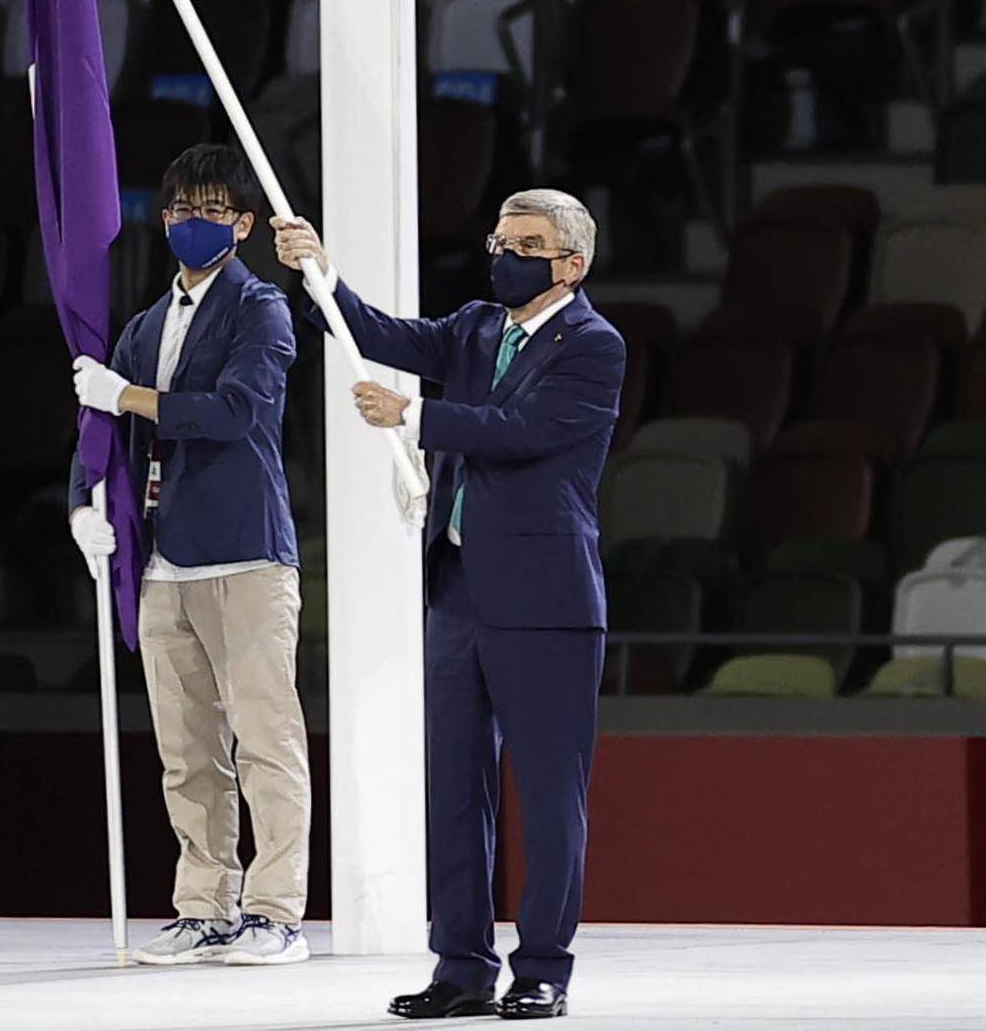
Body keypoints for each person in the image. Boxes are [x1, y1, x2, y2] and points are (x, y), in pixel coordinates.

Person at [274, 191, 624, 1024]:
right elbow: (382, 335)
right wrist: (318, 274)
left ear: (571, 263)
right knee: (455, 791)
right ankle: (462, 965)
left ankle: (542, 967)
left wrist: (416, 413)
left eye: (527, 243)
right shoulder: (474, 325)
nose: (505, 253)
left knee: (547, 794)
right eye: (500, 238)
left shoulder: (595, 347)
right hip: (459, 592)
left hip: (547, 599)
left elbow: (523, 430)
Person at [66, 144, 311, 968]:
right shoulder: (145, 324)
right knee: (187, 749)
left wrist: (127, 394)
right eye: (176, 209)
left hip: (245, 553)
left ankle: (275, 910)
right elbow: (100, 426)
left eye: (208, 209)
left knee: (266, 738)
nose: (189, 223)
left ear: (242, 224)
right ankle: (205, 904)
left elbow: (235, 410)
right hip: (164, 560)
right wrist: (82, 503)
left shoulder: (262, 311)